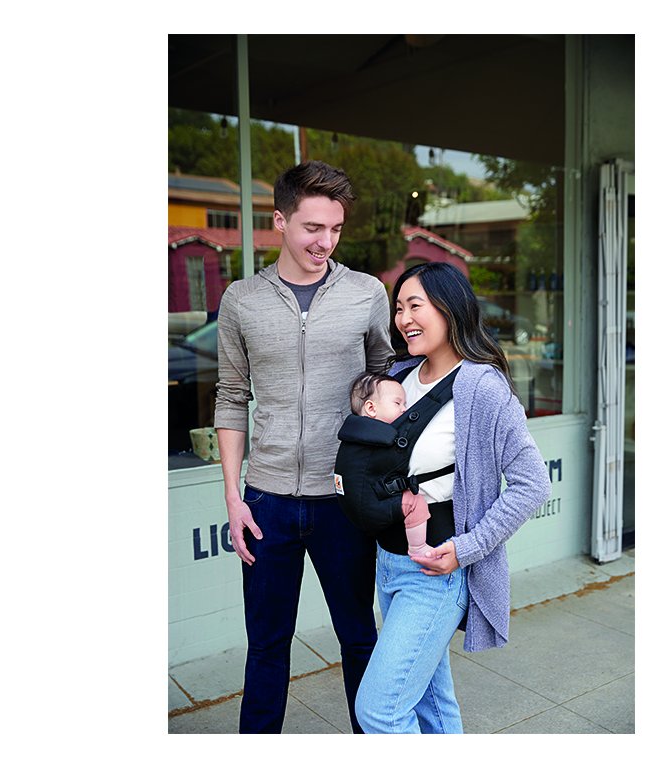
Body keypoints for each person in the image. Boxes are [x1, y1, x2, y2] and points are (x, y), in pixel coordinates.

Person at [214, 160, 392, 734]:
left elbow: (388, 382)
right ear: (280, 221)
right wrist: (234, 498)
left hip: (344, 498)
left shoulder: (366, 293)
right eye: (313, 227)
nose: (325, 241)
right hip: (266, 502)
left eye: (335, 229)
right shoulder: (242, 300)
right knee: (266, 646)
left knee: (359, 638)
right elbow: (231, 397)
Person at [354, 262, 551, 734]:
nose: (403, 319)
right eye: (398, 308)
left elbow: (532, 483)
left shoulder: (483, 388)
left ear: (449, 307)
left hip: (436, 572)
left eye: (415, 306)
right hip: (389, 563)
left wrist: (466, 549)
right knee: (431, 705)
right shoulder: (398, 376)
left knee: (379, 711)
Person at [348, 371, 433, 557]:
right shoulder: (382, 437)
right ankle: (418, 547)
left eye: (405, 404)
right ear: (371, 408)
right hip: (374, 504)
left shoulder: (352, 433)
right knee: (416, 503)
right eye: (397, 403)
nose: (404, 410)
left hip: (358, 507)